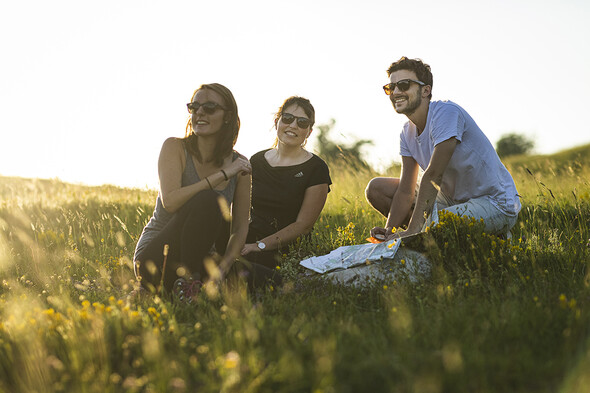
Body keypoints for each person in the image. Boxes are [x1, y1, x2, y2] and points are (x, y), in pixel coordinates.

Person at [366, 57, 521, 241]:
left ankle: (494, 237)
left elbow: (433, 175)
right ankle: (425, 238)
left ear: (426, 90)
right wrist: (389, 230)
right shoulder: (406, 133)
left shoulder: (446, 113)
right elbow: (406, 191)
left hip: (494, 203)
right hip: (450, 200)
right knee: (376, 189)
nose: (396, 92)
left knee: (438, 225)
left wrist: (412, 230)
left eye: (404, 85)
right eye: (391, 88)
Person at [133, 83, 256, 298]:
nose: (199, 112)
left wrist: (223, 269)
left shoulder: (240, 165)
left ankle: (196, 282)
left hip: (203, 259)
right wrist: (222, 175)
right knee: (209, 200)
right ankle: (190, 287)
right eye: (194, 106)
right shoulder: (174, 147)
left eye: (209, 107)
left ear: (227, 117)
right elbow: (170, 201)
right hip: (157, 258)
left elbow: (239, 228)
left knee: (263, 278)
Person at [240, 96, 332, 268]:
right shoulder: (257, 160)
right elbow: (242, 210)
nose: (293, 126)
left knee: (248, 269)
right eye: (288, 118)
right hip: (249, 239)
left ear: (309, 131)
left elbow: (303, 226)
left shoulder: (316, 168)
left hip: (285, 249)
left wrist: (259, 246)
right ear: (277, 122)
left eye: (302, 122)